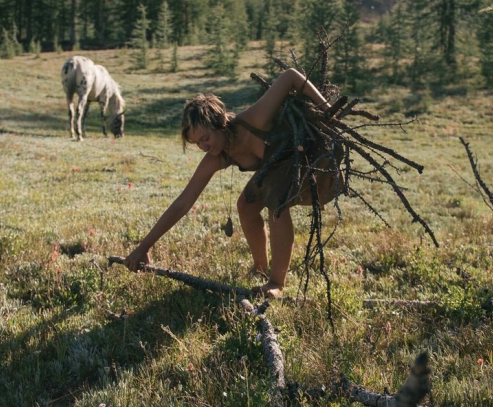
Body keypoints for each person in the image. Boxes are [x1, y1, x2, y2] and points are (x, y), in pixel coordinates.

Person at [123, 68, 339, 298]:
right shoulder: (217, 155)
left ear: (221, 123)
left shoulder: (254, 119)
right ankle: (260, 270)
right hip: (274, 168)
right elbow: (182, 203)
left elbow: (291, 77)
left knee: (276, 202)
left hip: (307, 157)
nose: (204, 147)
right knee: (246, 205)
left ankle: (276, 283)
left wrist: (329, 113)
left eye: (205, 138)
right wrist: (144, 246)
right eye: (197, 143)